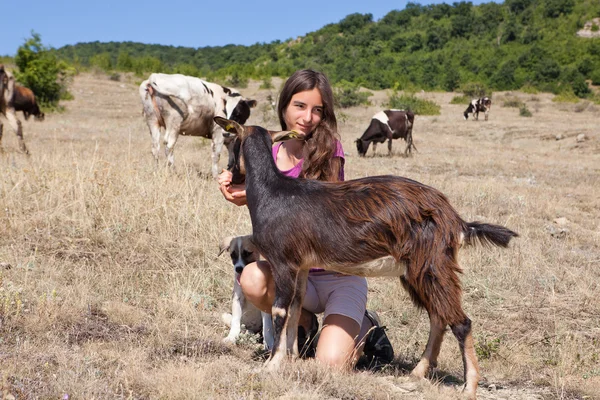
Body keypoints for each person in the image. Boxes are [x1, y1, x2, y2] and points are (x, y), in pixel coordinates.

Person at [217, 69, 393, 370]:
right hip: (295, 275)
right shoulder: (265, 149)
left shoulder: (329, 150)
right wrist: (234, 188)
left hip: (339, 273)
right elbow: (265, 207)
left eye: (317, 110)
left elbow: (328, 208)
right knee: (252, 277)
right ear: (284, 105)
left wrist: (255, 194)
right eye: (299, 106)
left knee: (330, 364)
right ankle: (306, 323)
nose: (308, 117)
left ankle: (366, 326)